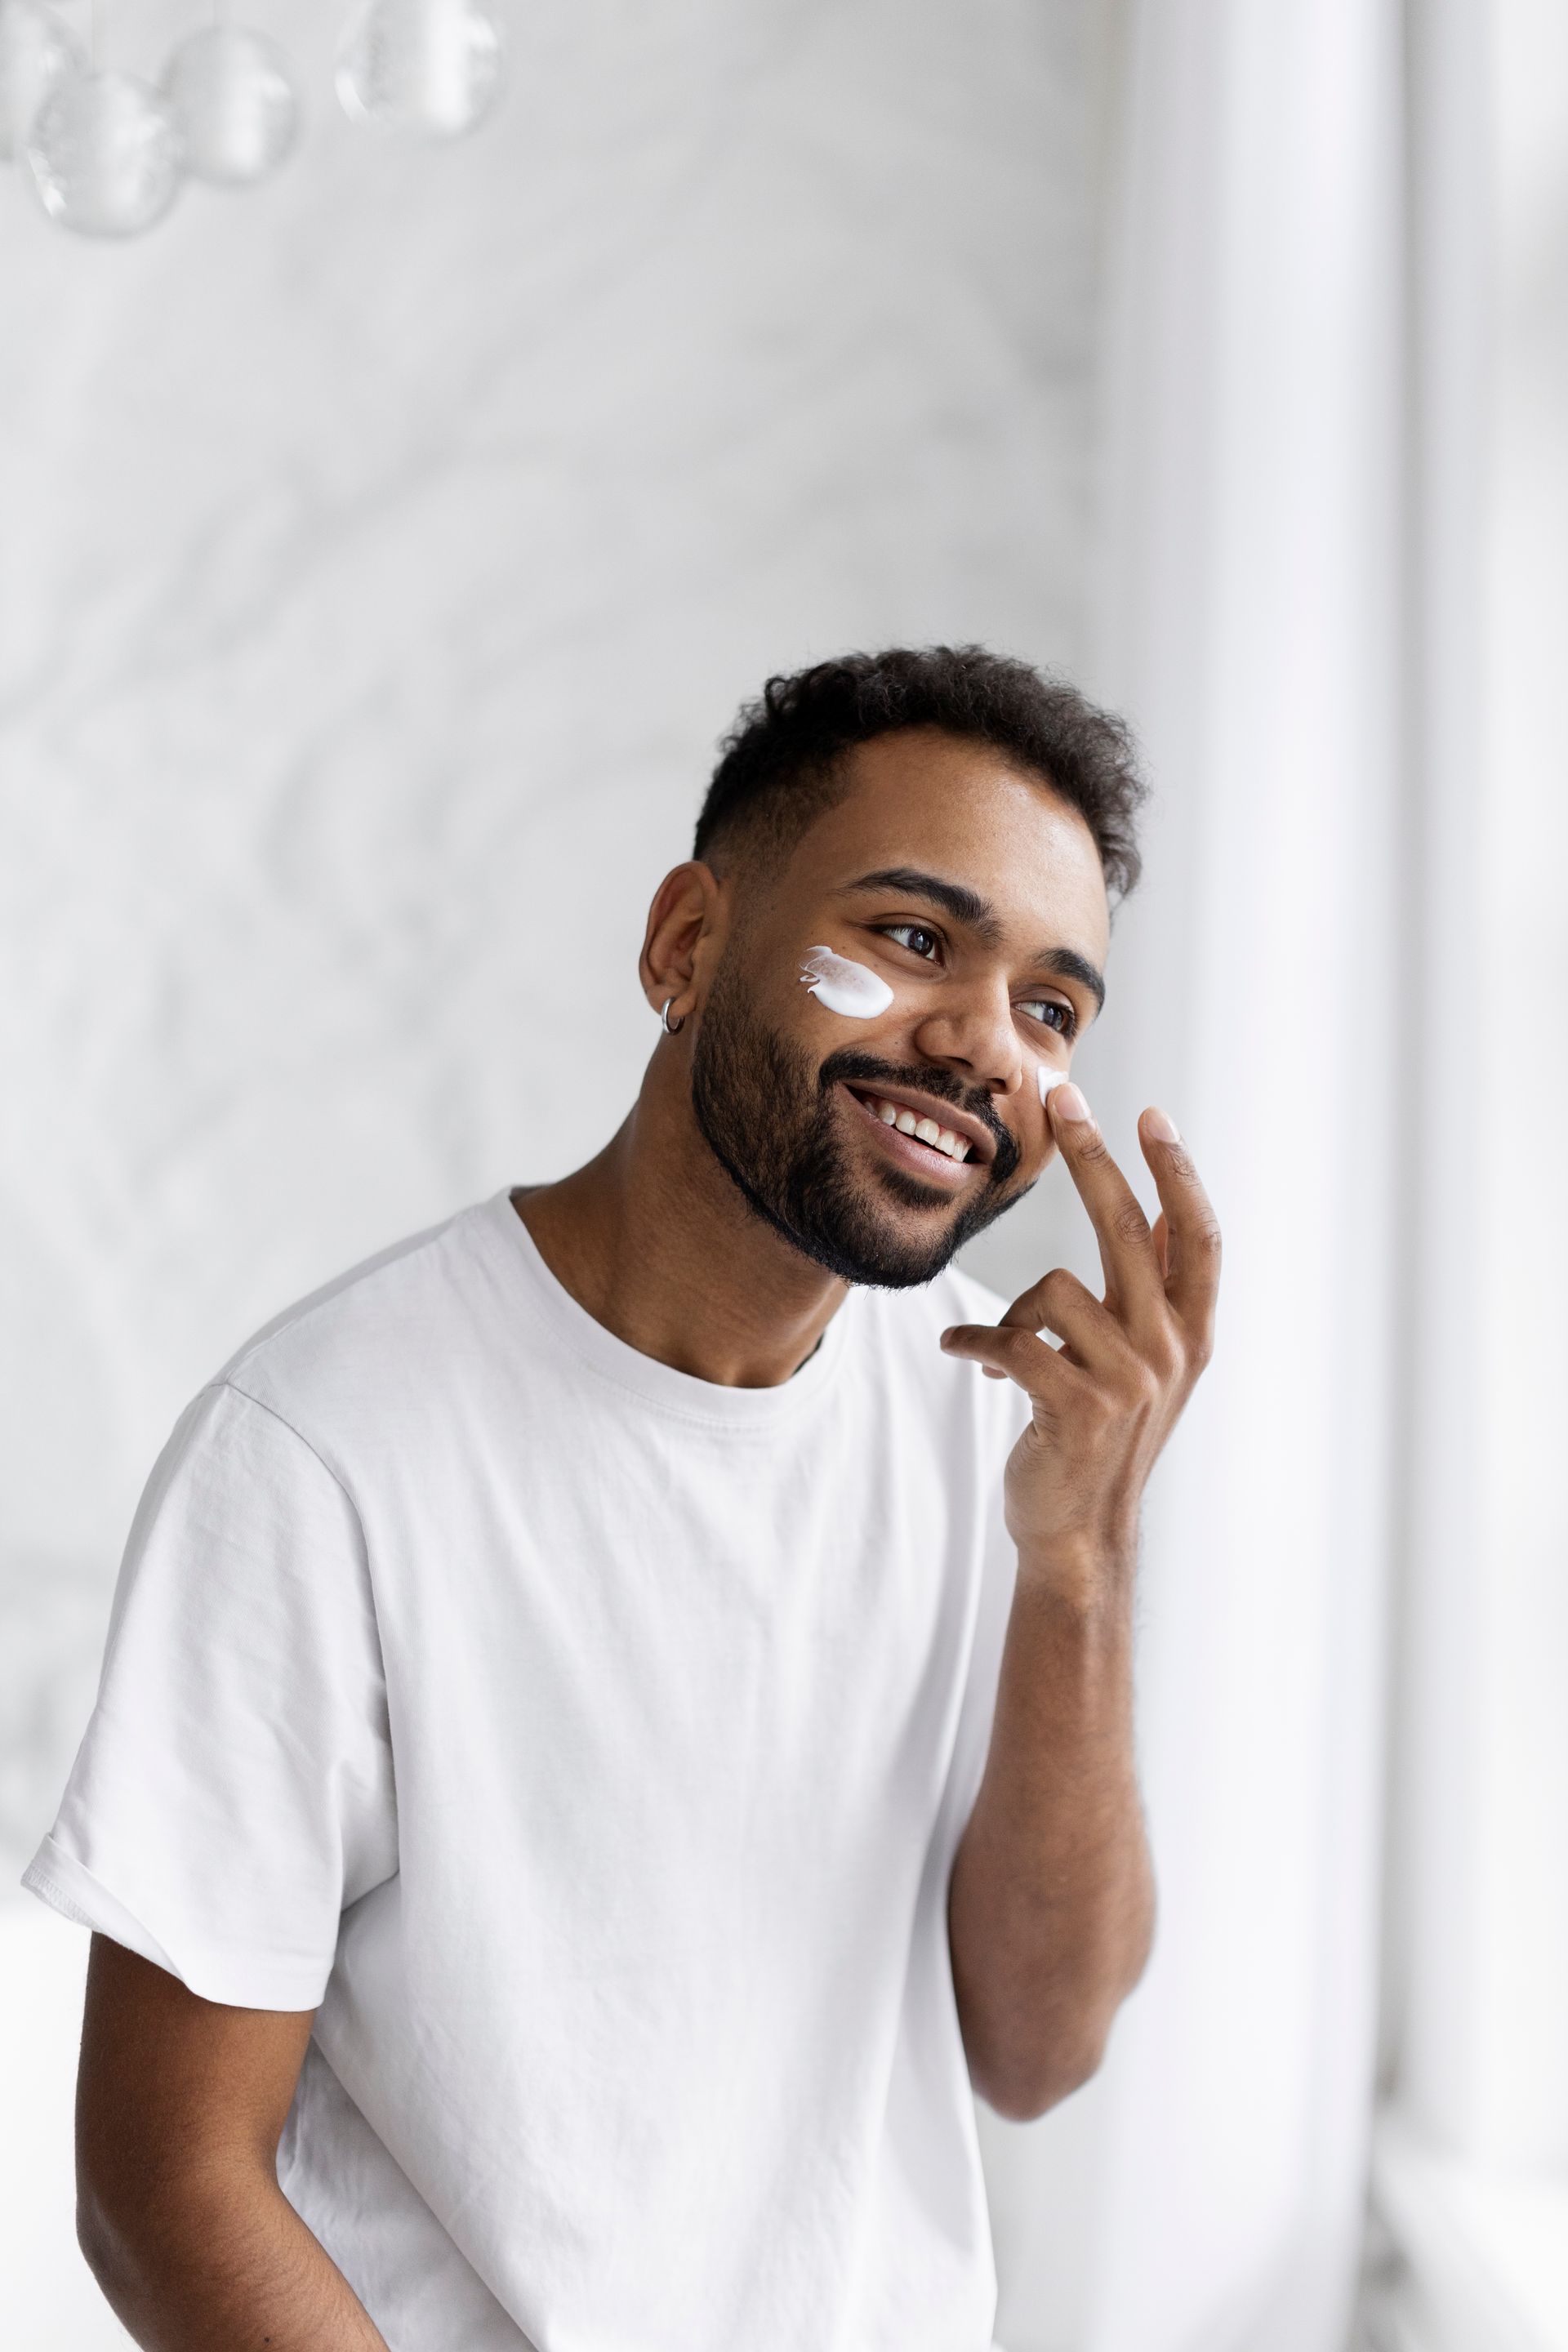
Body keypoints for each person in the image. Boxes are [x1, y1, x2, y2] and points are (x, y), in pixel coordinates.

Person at [24, 646, 1220, 2352]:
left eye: (1052, 1008)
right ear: (687, 945)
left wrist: (1082, 1558)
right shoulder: (321, 1451)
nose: (980, 1045)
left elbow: (1038, 2047)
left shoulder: (1003, 1430)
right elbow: (160, 2183)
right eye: (908, 939)